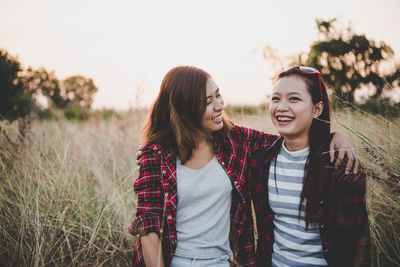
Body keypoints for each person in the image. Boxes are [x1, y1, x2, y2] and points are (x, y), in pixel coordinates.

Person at [128, 66, 359, 267]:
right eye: (208, 102)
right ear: (184, 110)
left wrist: (334, 136)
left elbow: (288, 141)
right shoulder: (156, 154)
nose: (219, 106)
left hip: (223, 262)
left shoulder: (235, 141)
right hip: (174, 260)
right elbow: (149, 227)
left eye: (218, 95)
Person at [251, 66, 370, 267]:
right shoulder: (262, 160)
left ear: (317, 109)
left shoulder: (341, 166)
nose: (281, 107)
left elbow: (357, 246)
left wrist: (336, 135)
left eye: (294, 99)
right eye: (276, 98)